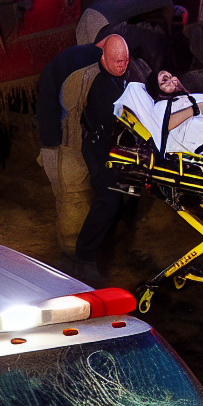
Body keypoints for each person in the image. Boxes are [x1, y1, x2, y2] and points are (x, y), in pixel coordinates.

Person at [38, 36, 119, 254]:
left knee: (92, 199)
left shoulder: (83, 64)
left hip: (79, 138)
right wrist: (53, 146)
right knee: (73, 203)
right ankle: (75, 259)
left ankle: (80, 251)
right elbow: (63, 112)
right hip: (65, 143)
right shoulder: (79, 70)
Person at [73, 34, 137, 275]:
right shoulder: (101, 86)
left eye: (125, 60)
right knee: (108, 202)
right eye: (117, 61)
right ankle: (83, 257)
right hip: (100, 150)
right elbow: (113, 121)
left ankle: (96, 249)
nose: (122, 65)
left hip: (118, 148)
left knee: (118, 202)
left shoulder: (127, 74)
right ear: (104, 58)